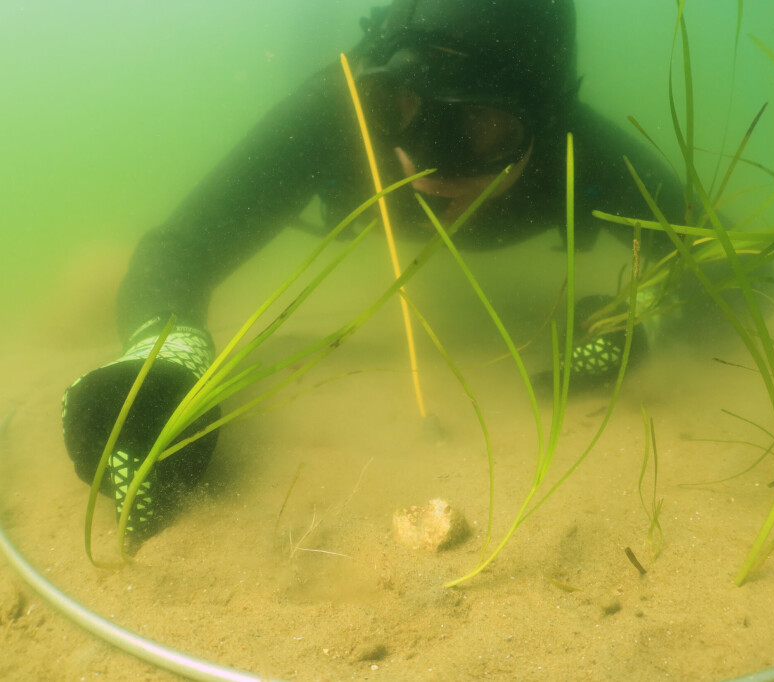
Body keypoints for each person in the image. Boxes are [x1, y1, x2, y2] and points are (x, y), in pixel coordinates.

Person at [61, 0, 685, 541]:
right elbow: (178, 249)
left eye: (484, 127)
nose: (427, 162)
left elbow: (721, 261)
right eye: (402, 107)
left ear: (547, 119)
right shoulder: (339, 115)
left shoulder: (580, 150)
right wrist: (169, 355)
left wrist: (643, 317)